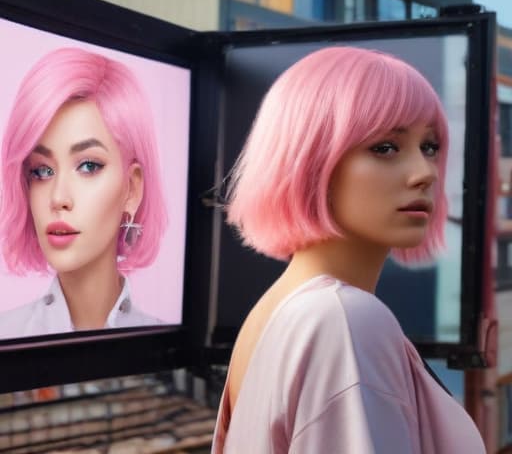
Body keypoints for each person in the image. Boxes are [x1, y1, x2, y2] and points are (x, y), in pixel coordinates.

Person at [211, 47, 485, 453]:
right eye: (386, 147)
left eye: (429, 146)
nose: (425, 172)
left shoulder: (277, 310)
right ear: (310, 159)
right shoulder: (343, 319)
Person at [0, 47, 168, 338]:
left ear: (132, 188)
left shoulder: (160, 341)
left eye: (89, 166)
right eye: (41, 171)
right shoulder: (8, 333)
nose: (58, 198)